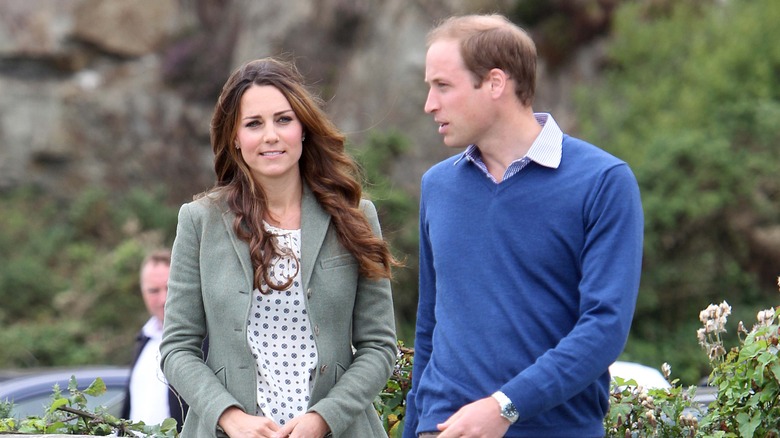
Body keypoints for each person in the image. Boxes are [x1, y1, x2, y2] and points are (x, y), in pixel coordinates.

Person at [403, 14, 644, 438]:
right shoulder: (437, 186)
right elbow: (429, 328)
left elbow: (604, 327)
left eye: (443, 86)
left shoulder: (603, 182)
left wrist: (505, 407)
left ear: (496, 83)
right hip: (443, 428)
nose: (429, 104)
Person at [160, 57, 399, 438]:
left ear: (303, 128)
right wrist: (230, 417)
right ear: (235, 138)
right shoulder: (199, 221)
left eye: (283, 120)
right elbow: (176, 348)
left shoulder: (355, 216)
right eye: (254, 124)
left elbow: (379, 346)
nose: (271, 135)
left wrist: (324, 418)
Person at [121, 249, 187, 431]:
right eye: (153, 290)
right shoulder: (144, 340)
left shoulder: (203, 342)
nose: (163, 299)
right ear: (142, 292)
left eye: (169, 287)